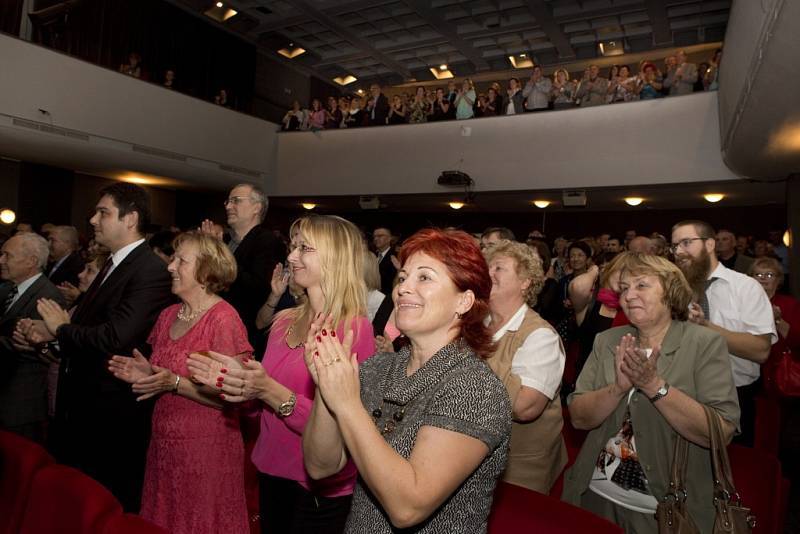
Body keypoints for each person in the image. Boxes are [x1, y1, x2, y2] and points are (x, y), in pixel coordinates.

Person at [301, 228, 511, 533]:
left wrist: (347, 404)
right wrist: (327, 383)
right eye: (402, 278)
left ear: (464, 302)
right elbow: (321, 466)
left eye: (424, 278)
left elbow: (408, 507)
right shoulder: (379, 367)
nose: (403, 289)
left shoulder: (474, 388)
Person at [187, 215, 376, 534]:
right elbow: (258, 407)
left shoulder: (353, 329)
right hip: (269, 470)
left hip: (316, 489)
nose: (291, 257)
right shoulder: (283, 320)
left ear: (334, 256)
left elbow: (347, 424)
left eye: (305, 248)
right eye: (293, 247)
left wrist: (269, 390)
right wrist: (237, 384)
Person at [16, 183, 173, 511]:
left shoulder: (150, 270)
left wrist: (61, 329)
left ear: (130, 219)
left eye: (103, 212)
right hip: (83, 411)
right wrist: (50, 336)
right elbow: (89, 329)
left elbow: (117, 337)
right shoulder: (114, 265)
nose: (92, 219)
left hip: (109, 419)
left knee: (101, 509)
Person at [563, 253, 740, 533]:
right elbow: (579, 418)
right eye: (624, 288)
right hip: (594, 496)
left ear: (670, 292)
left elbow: (719, 432)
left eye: (641, 286)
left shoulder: (703, 343)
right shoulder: (608, 340)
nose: (629, 295)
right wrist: (618, 388)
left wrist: (653, 385)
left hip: (667, 509)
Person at [107, 232, 250, 534]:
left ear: (205, 271)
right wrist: (147, 374)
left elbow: (234, 395)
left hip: (207, 449)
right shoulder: (168, 314)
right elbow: (163, 373)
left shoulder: (223, 319)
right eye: (173, 258)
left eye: (181, 260)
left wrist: (173, 383)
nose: (170, 267)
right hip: (164, 443)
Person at [671, 220, 775, 446]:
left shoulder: (745, 288)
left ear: (709, 244)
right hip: (684, 394)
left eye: (686, 243)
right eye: (675, 246)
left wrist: (705, 326)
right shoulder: (675, 291)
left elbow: (761, 350)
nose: (679, 251)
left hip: (736, 395)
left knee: (733, 469)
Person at [484, 240, 566, 493]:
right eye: (486, 267)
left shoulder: (540, 336)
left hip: (518, 470)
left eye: (498, 268)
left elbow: (525, 407)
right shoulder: (475, 325)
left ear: (525, 282)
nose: (488, 274)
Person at [202, 183, 285, 357]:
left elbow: (256, 290)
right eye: (228, 201)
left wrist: (219, 253)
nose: (228, 206)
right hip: (212, 328)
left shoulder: (267, 241)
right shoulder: (225, 240)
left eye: (236, 201)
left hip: (243, 336)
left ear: (257, 207)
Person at [0, 233, 65, 443]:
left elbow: (29, 347)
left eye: (6, 256)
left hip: (20, 404)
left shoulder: (48, 296)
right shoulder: (7, 289)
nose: (1, 261)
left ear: (31, 261)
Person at [749, 258, 800, 394]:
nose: (763, 279)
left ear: (778, 281)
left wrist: (778, 320)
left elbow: (797, 341)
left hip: (782, 374)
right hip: (750, 372)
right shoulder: (742, 304)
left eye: (769, 275)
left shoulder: (790, 304)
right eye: (758, 275)